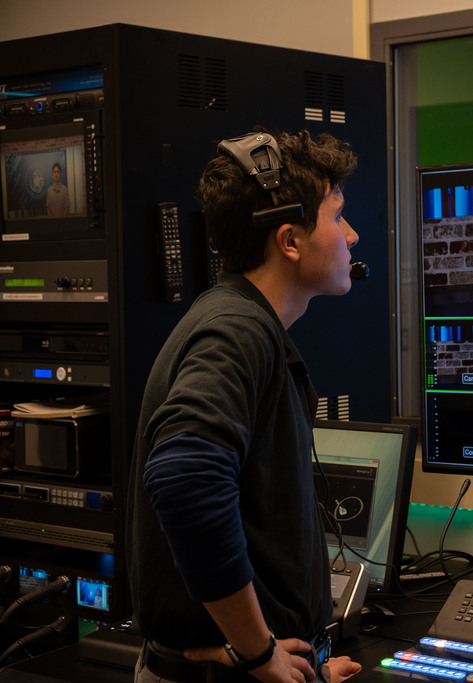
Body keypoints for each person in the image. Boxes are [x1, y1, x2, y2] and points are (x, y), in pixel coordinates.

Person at [127, 130, 362, 683]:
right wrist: (257, 653)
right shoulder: (237, 331)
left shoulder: (236, 318)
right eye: (337, 216)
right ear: (290, 240)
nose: (352, 235)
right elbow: (185, 478)